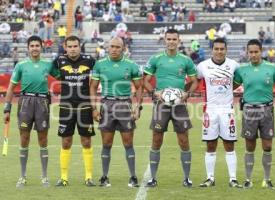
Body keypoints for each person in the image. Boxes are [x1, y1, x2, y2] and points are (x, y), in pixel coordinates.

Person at [143, 29, 198, 187]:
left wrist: (187, 94)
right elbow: (145, 80)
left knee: (184, 140)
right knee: (156, 139)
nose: (171, 41)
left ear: (179, 40)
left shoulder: (186, 60)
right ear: (165, 40)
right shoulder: (156, 59)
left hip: (179, 105)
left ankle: (187, 178)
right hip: (161, 105)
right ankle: (152, 178)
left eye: (174, 39)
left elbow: (194, 81)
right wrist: (154, 92)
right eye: (169, 39)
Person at [3, 35, 60, 188]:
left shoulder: (48, 65)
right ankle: (22, 176)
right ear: (28, 48)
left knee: (43, 140)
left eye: (37, 45)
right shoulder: (21, 66)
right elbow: (11, 88)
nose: (35, 48)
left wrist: (60, 55)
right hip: (25, 103)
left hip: (42, 102)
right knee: (24, 139)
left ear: (41, 47)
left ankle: (44, 176)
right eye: (32, 45)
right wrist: (7, 107)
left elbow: (61, 73)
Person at [90, 37, 143, 187]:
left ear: (123, 48)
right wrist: (94, 108)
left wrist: (137, 107)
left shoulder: (131, 65)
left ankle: (133, 177)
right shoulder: (100, 64)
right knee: (106, 143)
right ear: (108, 47)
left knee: (128, 143)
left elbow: (139, 87)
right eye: (111, 46)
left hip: (125, 104)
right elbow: (93, 87)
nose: (114, 49)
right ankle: (104, 177)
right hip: (106, 104)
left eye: (117, 47)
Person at [234, 39, 275, 189]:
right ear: (247, 52)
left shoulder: (272, 68)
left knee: (267, 146)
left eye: (256, 52)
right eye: (250, 52)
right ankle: (248, 179)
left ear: (261, 51)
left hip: (267, 110)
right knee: (250, 146)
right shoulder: (242, 70)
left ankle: (267, 179)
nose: (253, 55)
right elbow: (232, 86)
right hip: (249, 110)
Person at [196, 38, 242, 188]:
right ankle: (210, 178)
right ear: (212, 50)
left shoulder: (234, 65)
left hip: (227, 110)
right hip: (210, 110)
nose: (219, 51)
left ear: (226, 50)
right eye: (216, 49)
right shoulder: (203, 66)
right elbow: (195, 80)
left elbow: (238, 81)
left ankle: (233, 179)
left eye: (222, 49)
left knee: (229, 144)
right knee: (210, 144)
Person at [53, 36, 97, 187]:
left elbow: (97, 76)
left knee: (86, 141)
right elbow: (53, 72)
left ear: (80, 46)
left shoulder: (89, 60)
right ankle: (64, 177)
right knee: (66, 142)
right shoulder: (59, 61)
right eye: (70, 46)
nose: (73, 49)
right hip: (66, 107)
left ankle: (89, 177)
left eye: (75, 46)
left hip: (84, 106)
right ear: (65, 47)